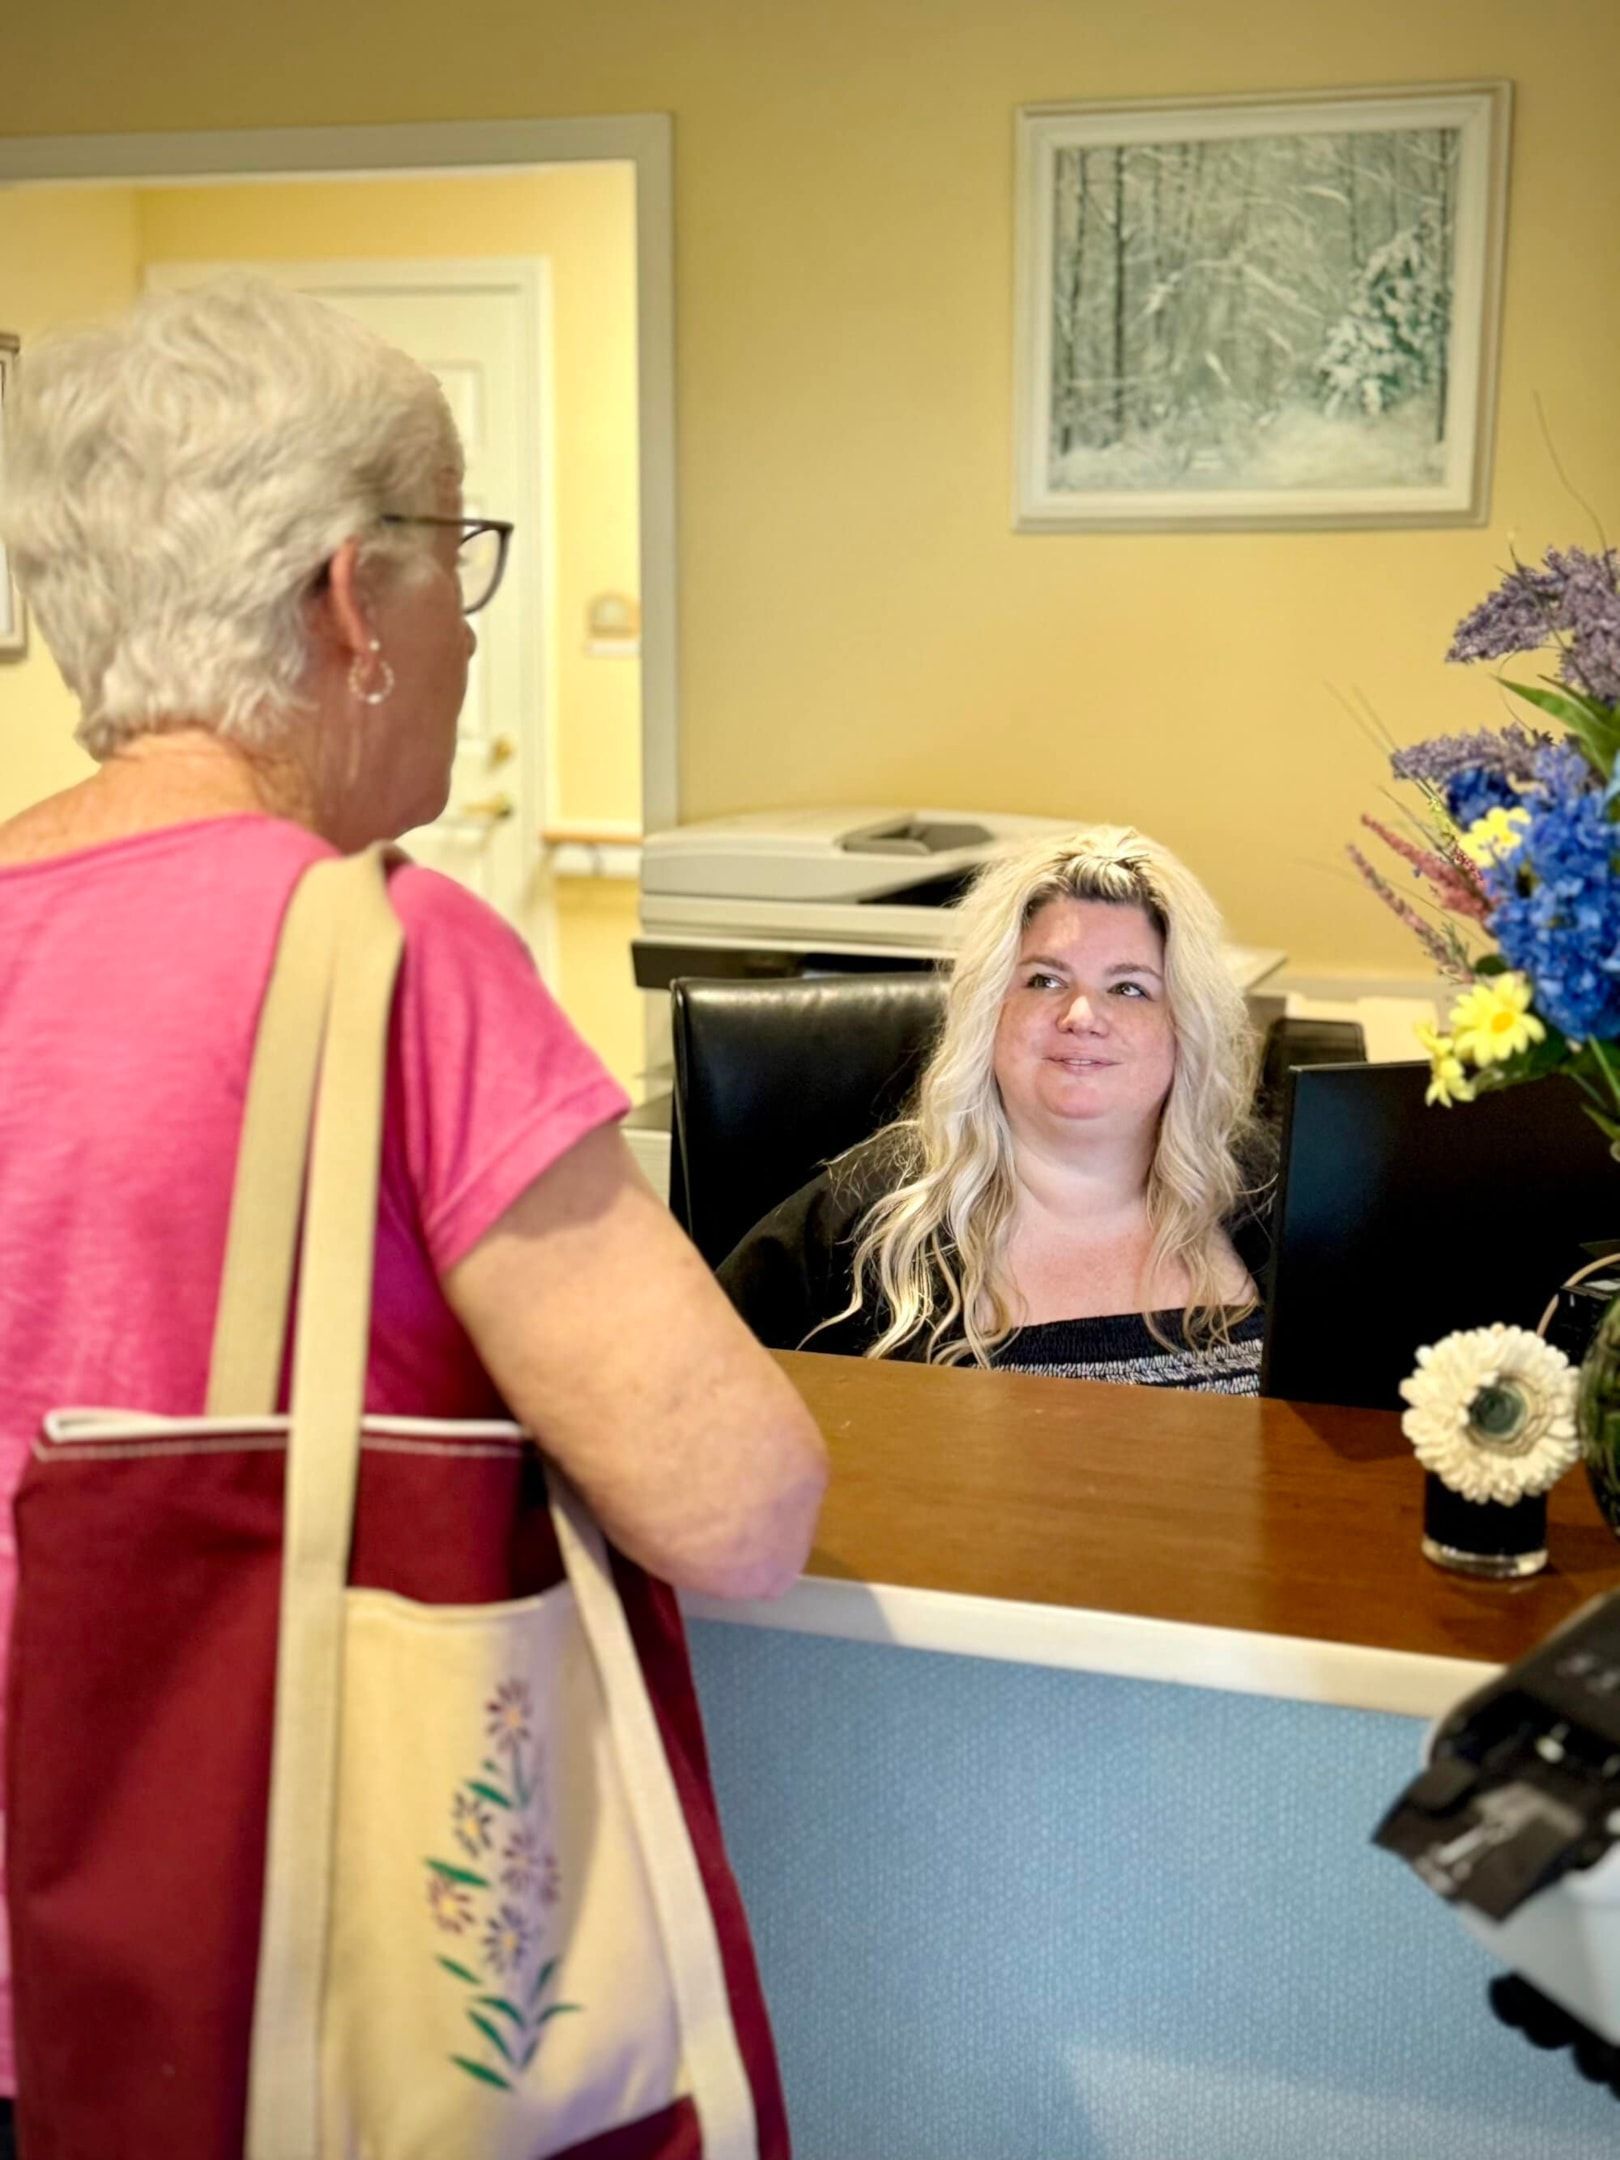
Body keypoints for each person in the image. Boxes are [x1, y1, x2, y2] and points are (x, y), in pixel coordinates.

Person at [0, 277, 825, 2156]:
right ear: (352, 606)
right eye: (459, 557)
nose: (465, 622)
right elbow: (738, 1507)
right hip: (253, 1956)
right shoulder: (382, 961)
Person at [720, 825, 1271, 1390]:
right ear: (991, 1013)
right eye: (1045, 980)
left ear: (1186, 1027)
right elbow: (685, 1393)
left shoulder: (1265, 1196)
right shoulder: (868, 1216)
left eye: (1129, 988)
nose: (1081, 1015)